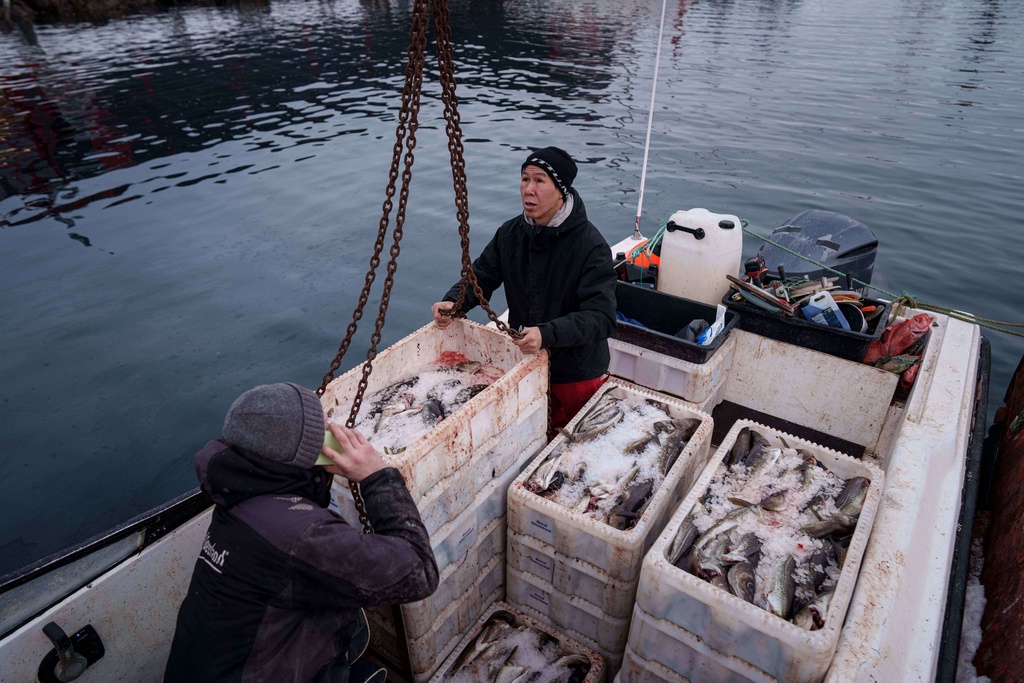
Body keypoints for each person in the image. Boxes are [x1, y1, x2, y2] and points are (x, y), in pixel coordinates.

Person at [164, 382, 438, 683]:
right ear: (305, 456)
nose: (331, 436)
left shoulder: (236, 493)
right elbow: (419, 571)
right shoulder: (299, 536)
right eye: (320, 435)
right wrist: (376, 476)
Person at [431, 146, 617, 433]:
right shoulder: (510, 234)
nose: (528, 189)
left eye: (540, 181)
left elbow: (601, 317)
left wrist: (547, 334)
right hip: (525, 360)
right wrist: (453, 302)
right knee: (526, 436)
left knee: (573, 442)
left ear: (561, 190)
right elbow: (481, 277)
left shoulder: (591, 246)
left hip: (576, 373)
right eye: (525, 179)